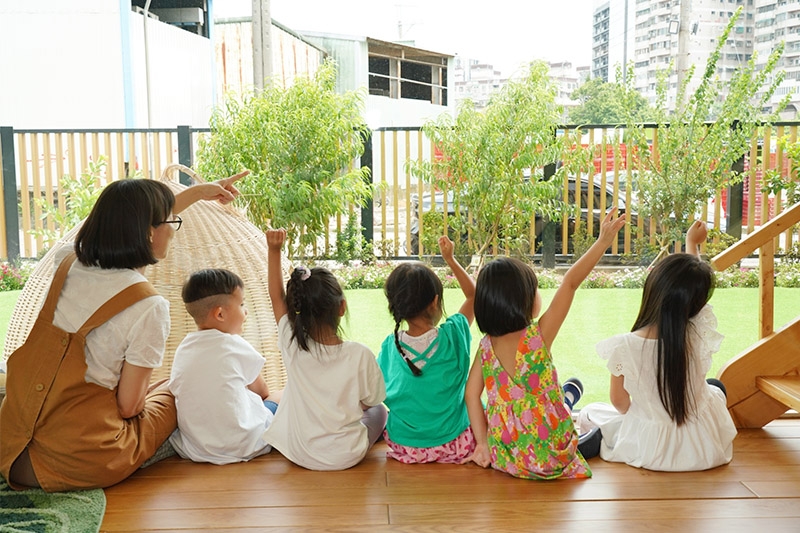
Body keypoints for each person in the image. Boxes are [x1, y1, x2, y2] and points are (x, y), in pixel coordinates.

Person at [0, 171, 248, 492]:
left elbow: (128, 219)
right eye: (169, 224)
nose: (172, 231)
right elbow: (129, 407)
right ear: (148, 233)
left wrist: (198, 193)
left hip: (10, 447)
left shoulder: (66, 263)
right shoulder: (148, 305)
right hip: (79, 462)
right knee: (176, 389)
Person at [463, 208, 626, 480]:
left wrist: (483, 445)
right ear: (522, 299)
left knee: (548, 397)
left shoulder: (486, 348)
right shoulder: (537, 337)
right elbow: (571, 283)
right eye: (535, 288)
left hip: (509, 457)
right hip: (551, 453)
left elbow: (470, 395)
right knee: (590, 438)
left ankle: (567, 394)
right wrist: (602, 242)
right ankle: (568, 397)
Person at [577, 221, 737, 471]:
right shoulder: (696, 331)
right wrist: (692, 244)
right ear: (694, 304)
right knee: (715, 388)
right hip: (703, 449)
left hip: (650, 449)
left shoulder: (624, 346)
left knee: (590, 411)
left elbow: (620, 402)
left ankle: (598, 438)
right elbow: (694, 295)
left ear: (652, 289)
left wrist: (647, 414)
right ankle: (606, 434)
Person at [264, 228, 387, 471]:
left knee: (285, 395)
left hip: (299, 452)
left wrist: (274, 251)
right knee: (380, 411)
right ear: (341, 308)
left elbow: (276, 297)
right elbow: (372, 400)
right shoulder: (359, 354)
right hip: (346, 456)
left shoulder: (292, 342)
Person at [377, 236, 476, 464]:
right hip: (455, 444)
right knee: (479, 406)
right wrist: (450, 259)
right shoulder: (453, 335)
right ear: (435, 302)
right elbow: (473, 295)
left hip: (406, 447)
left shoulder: (390, 347)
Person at [168, 268, 282, 465]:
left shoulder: (183, 349)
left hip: (198, 449)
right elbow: (263, 392)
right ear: (220, 314)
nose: (245, 312)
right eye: (242, 304)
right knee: (280, 395)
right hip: (247, 444)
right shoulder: (235, 345)